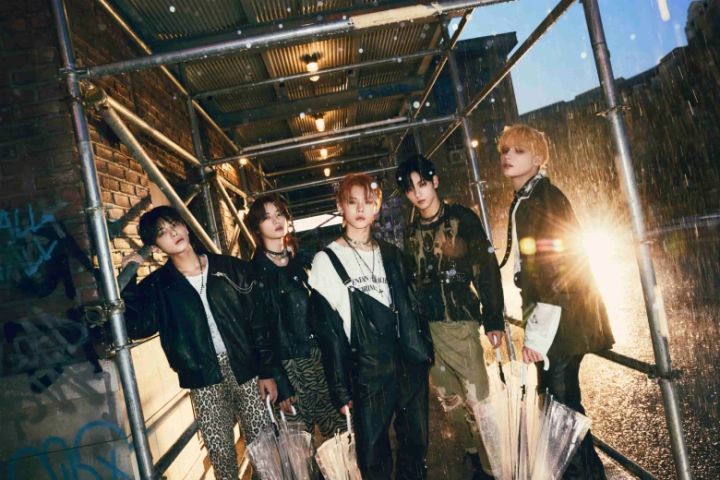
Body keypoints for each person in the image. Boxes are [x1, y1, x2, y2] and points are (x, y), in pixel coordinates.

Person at [120, 206, 279, 480]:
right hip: (203, 377)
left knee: (264, 449)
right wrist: (129, 283)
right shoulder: (160, 285)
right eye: (162, 233)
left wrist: (267, 370)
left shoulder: (229, 268)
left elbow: (257, 322)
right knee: (220, 454)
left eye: (174, 225)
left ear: (185, 225)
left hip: (246, 369)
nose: (173, 234)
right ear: (156, 245)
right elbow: (139, 326)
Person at [497, 124, 615, 479]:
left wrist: (536, 336)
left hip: (562, 325)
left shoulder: (542, 200)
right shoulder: (531, 198)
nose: (507, 156)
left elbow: (553, 270)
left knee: (561, 415)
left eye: (518, 150)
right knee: (562, 413)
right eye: (504, 150)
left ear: (538, 158)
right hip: (559, 322)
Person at [308, 173, 433, 479]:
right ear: (340, 206)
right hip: (368, 366)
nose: (360, 209)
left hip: (407, 360)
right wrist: (339, 387)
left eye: (367, 202)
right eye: (352, 202)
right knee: (373, 453)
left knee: (415, 444)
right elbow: (329, 332)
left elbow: (412, 307)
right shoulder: (327, 260)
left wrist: (424, 352)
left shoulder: (391, 253)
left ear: (377, 206)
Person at [395, 155, 505, 479]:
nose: (418, 193)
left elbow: (486, 268)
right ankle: (474, 459)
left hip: (460, 323)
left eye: (422, 184)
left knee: (478, 402)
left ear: (435, 181)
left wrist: (494, 319)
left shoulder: (461, 219)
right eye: (410, 189)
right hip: (430, 332)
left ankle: (494, 467)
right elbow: (412, 284)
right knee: (452, 404)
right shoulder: (412, 233)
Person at [244, 194, 345, 438]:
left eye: (279, 213)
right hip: (289, 365)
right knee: (299, 443)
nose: (276, 220)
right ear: (257, 228)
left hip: (318, 357)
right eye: (266, 218)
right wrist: (278, 378)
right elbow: (258, 331)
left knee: (340, 436)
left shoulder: (300, 261)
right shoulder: (255, 272)